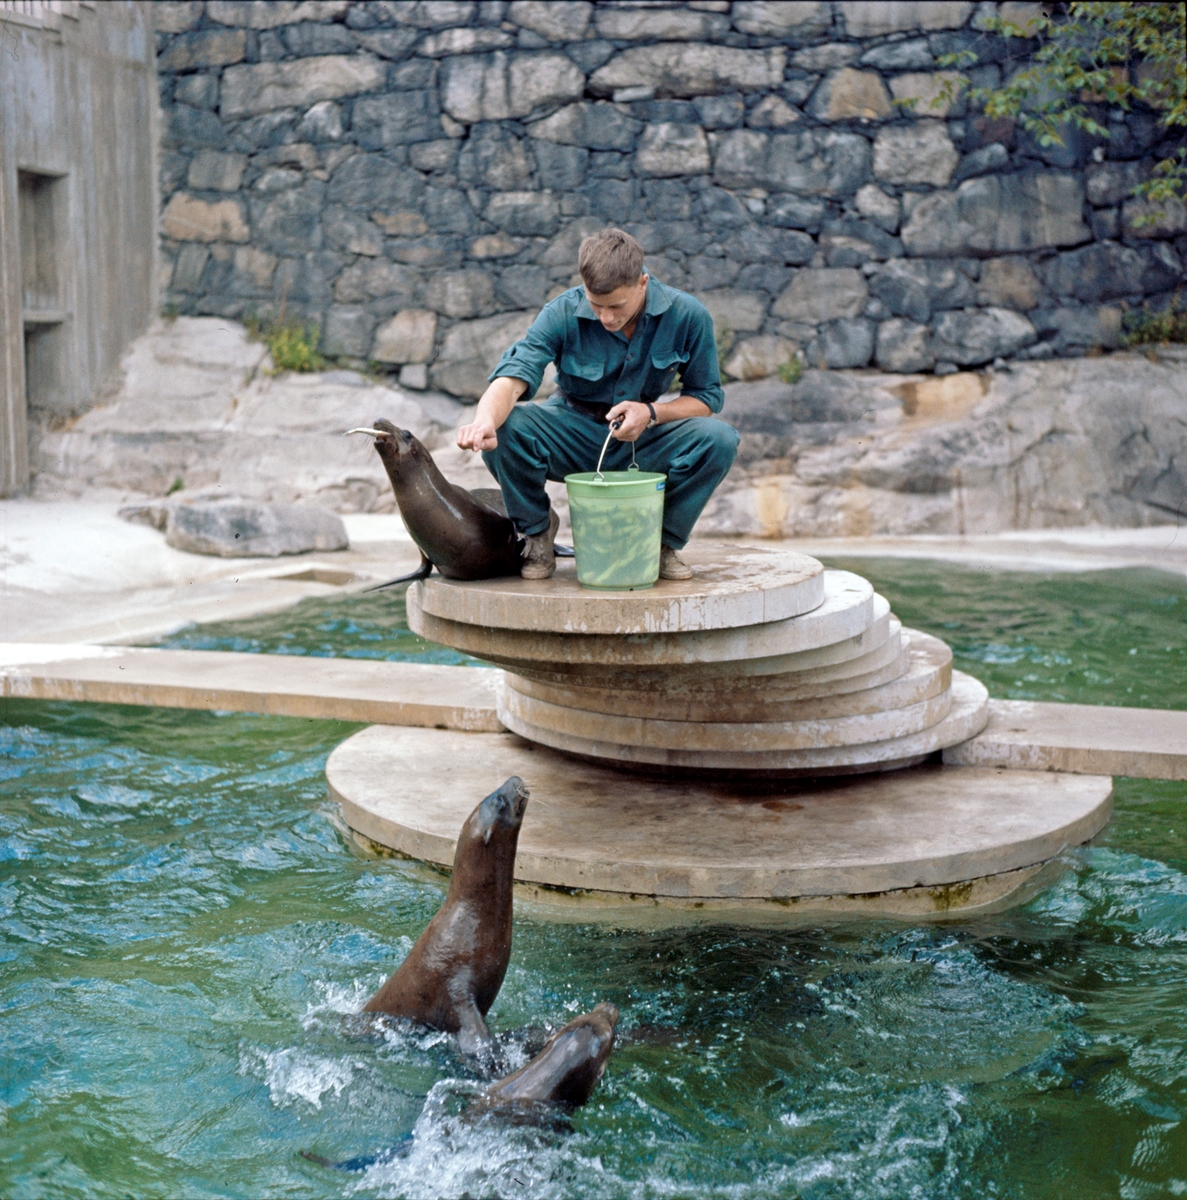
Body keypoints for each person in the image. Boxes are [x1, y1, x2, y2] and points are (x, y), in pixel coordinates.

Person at [456, 228, 740, 581]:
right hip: (570, 433)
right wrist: (484, 420)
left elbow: (706, 398)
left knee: (720, 439)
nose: (606, 317)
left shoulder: (688, 315)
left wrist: (651, 413)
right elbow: (513, 377)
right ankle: (535, 534)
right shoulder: (560, 311)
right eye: (596, 305)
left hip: (644, 437)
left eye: (616, 306)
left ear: (642, 283)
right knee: (505, 428)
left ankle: (661, 545)